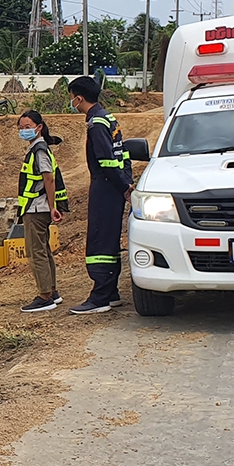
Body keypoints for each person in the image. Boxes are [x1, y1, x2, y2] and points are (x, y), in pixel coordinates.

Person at [68, 76, 134, 314]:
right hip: (114, 186)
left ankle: (101, 296)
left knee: (99, 240)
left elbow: (106, 160)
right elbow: (123, 153)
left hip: (105, 187)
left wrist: (122, 186)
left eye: (72, 98)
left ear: (79, 98)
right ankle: (111, 292)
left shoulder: (96, 123)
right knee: (109, 237)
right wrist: (127, 182)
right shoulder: (109, 118)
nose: (71, 102)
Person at [17, 111, 68, 313]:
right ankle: (52, 291)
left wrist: (52, 205)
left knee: (35, 251)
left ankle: (44, 295)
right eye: (20, 128)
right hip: (37, 207)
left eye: (27, 126)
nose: (23, 131)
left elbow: (49, 178)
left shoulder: (39, 150)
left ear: (39, 127)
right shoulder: (38, 148)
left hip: (36, 208)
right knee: (43, 250)